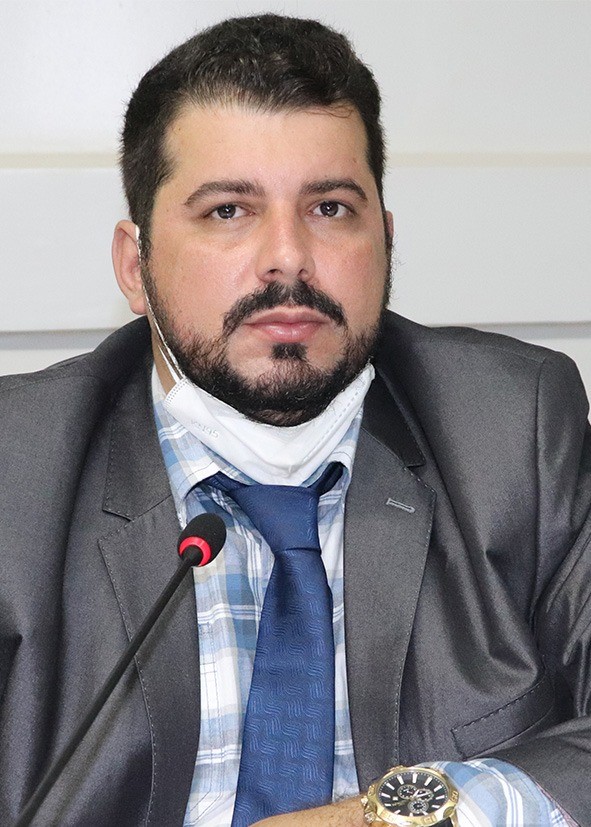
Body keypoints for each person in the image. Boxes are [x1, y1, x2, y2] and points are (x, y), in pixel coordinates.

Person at [0, 12, 590, 827]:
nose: (288, 257)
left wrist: (384, 819)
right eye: (227, 211)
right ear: (135, 267)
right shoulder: (17, 468)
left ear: (385, 241)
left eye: (330, 208)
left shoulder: (513, 429)